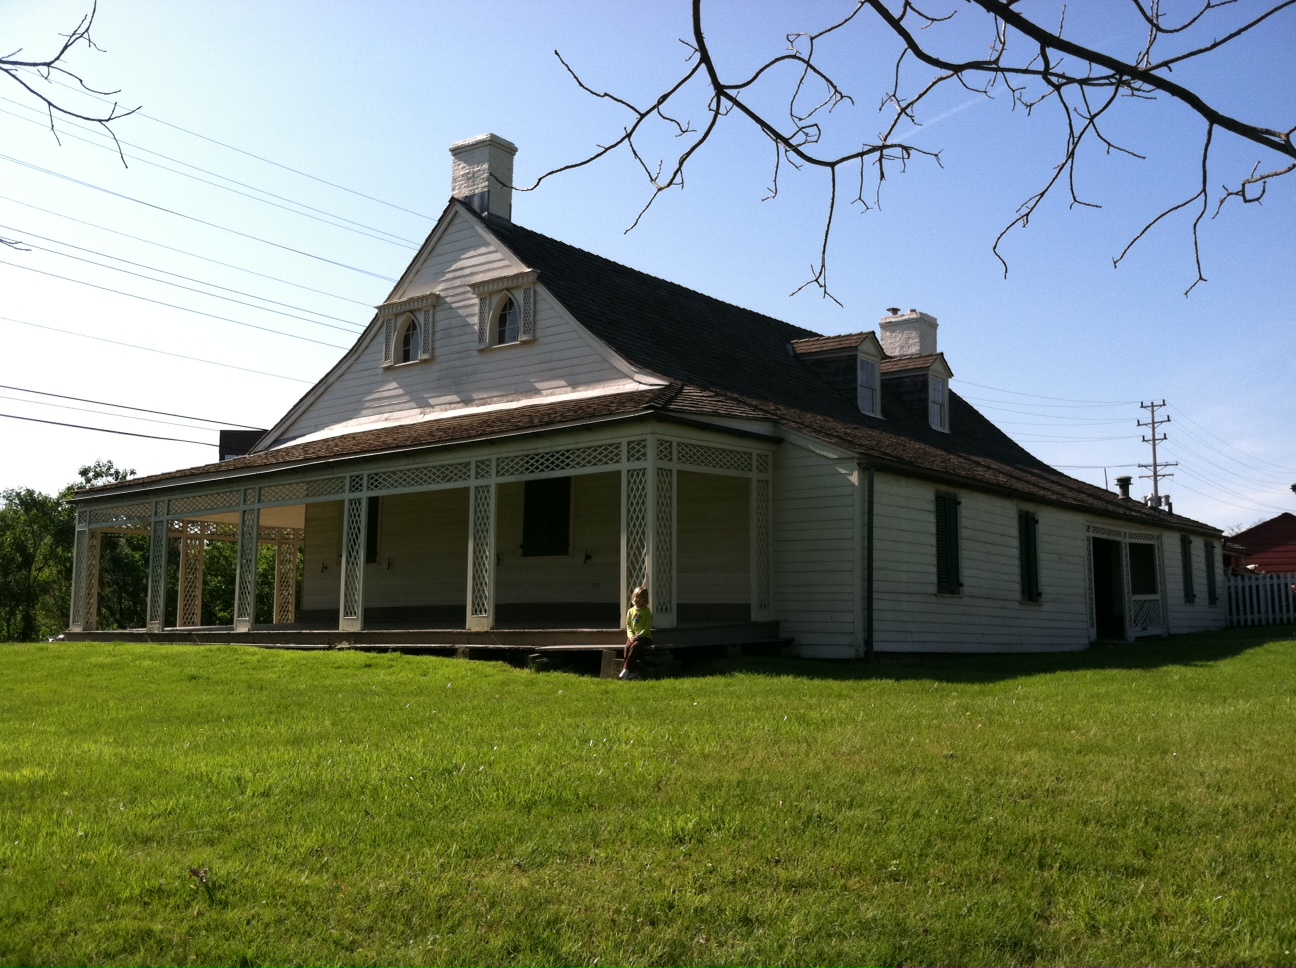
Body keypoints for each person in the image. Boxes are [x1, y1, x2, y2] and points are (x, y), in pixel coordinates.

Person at [620, 585, 652, 680]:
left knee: (635, 646)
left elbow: (647, 626)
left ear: (644, 600)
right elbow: (629, 626)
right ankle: (631, 671)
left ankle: (625, 669)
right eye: (636, 597)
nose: (638, 600)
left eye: (641, 598)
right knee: (628, 646)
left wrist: (639, 635)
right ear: (633, 597)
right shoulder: (630, 611)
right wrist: (631, 636)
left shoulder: (646, 611)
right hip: (633, 637)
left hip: (645, 637)